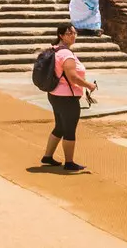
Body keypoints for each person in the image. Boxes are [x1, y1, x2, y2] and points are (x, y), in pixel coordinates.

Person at [41, 23, 95, 173]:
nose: (73, 35)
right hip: (67, 97)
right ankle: (69, 162)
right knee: (69, 130)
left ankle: (47, 157)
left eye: (74, 33)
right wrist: (88, 85)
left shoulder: (55, 49)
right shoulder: (66, 54)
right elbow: (73, 77)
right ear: (61, 35)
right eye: (69, 33)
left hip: (55, 94)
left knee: (60, 126)